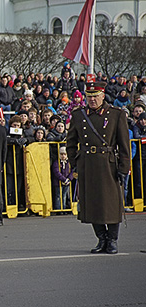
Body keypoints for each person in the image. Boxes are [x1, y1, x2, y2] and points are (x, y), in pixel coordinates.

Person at [67, 81, 130, 254]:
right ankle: (101, 238)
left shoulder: (116, 115)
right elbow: (71, 142)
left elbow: (124, 145)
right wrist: (75, 163)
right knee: (93, 203)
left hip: (108, 164)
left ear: (103, 96)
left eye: (96, 96)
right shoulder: (79, 115)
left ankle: (112, 240)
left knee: (110, 203)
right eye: (89, 97)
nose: (92, 100)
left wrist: (124, 168)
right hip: (88, 164)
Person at [52, 146, 73, 211]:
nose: (63, 156)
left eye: (65, 154)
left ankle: (63, 208)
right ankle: (58, 209)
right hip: (58, 182)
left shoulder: (68, 162)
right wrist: (64, 179)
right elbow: (56, 172)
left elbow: (72, 171)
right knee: (58, 196)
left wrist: (69, 179)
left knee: (64, 196)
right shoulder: (56, 162)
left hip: (66, 182)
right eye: (61, 154)